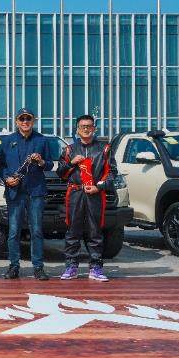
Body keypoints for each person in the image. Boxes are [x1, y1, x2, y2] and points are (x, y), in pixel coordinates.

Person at [56, 114, 118, 282]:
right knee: (72, 230)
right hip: (75, 193)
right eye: (82, 126)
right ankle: (71, 266)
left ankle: (96, 267)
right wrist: (71, 163)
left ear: (94, 129)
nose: (86, 129)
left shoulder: (104, 149)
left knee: (95, 231)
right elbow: (60, 173)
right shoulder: (69, 150)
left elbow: (112, 173)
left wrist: (99, 186)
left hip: (95, 194)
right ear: (77, 129)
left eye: (89, 126)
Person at [0, 108, 53, 281]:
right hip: (15, 192)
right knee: (14, 231)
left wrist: (41, 161)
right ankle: (14, 266)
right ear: (16, 121)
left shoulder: (41, 140)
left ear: (33, 120)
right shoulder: (8, 141)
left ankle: (38, 267)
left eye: (28, 118)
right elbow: (2, 165)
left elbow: (50, 164)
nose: (25, 122)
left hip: (35, 191)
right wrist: (7, 178)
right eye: (21, 119)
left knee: (36, 231)